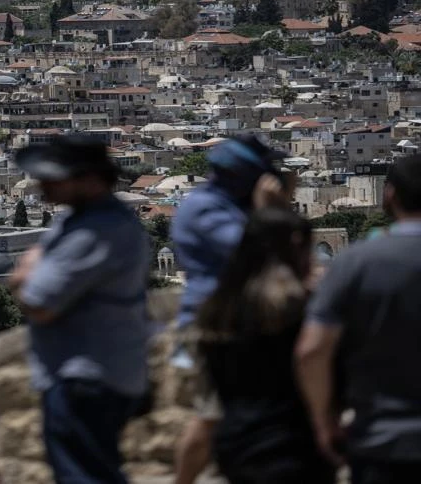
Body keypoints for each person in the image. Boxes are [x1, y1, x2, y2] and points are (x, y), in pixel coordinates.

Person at [8, 134, 150, 484]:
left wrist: (25, 270)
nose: (42, 185)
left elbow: (38, 302)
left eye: (54, 178)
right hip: (87, 372)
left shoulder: (98, 230)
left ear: (88, 180)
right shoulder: (81, 220)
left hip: (86, 376)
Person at [169, 135, 292, 484]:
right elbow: (255, 250)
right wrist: (272, 208)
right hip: (215, 327)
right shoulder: (205, 208)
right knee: (212, 415)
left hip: (248, 323)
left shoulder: (235, 205)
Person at [298, 154, 421, 484]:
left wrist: (324, 422)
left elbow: (312, 351)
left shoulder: (354, 264)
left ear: (389, 195)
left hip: (383, 442)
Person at [196, 208, 334, 484]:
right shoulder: (302, 309)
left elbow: (210, 405)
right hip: (295, 444)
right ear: (297, 248)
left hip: (237, 443)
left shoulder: (217, 310)